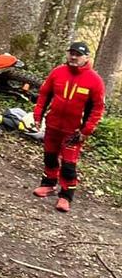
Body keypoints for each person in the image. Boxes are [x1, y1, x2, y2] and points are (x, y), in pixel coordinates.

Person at [32, 41, 106, 213]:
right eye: (71, 53)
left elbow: (98, 108)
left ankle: (65, 196)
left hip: (74, 131)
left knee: (68, 164)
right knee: (49, 157)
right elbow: (44, 94)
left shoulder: (94, 80)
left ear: (86, 57)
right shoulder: (57, 72)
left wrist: (86, 130)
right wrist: (38, 116)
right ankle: (48, 184)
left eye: (78, 54)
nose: (73, 57)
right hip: (53, 125)